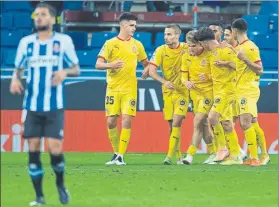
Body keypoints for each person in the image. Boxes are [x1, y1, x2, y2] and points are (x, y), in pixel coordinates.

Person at [10, 3, 80, 206]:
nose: (38, 18)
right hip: (31, 105)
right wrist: (15, 79)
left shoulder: (63, 41)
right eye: (36, 15)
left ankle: (60, 184)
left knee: (54, 148)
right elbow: (18, 68)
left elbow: (76, 68)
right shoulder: (26, 43)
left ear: (52, 19)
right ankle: (39, 196)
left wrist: (64, 72)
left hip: (54, 104)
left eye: (43, 14)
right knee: (33, 147)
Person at [95, 12, 149, 166]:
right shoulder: (110, 43)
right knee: (111, 122)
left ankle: (121, 156)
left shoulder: (137, 45)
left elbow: (146, 63)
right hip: (112, 88)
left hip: (129, 89)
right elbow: (98, 64)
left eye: (135, 26)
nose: (134, 28)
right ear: (123, 25)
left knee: (126, 119)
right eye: (132, 25)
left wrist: (147, 70)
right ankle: (116, 153)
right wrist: (110, 65)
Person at [194, 27, 242, 165]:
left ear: (204, 43)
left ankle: (222, 148)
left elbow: (240, 67)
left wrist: (226, 63)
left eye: (201, 44)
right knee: (226, 123)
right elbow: (216, 72)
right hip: (218, 91)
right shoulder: (212, 53)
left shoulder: (226, 50)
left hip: (228, 90)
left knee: (212, 117)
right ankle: (236, 156)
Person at [148, 24, 188, 165]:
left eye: (169, 34)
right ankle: (178, 155)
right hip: (168, 92)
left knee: (177, 121)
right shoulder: (160, 50)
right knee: (172, 126)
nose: (166, 37)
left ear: (177, 35)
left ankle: (169, 157)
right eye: (165, 34)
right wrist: (163, 81)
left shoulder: (187, 48)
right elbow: (152, 71)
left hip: (183, 92)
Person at [231, 18, 269, 166]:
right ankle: (264, 155)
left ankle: (254, 158)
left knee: (245, 122)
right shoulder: (241, 47)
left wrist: (246, 60)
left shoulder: (250, 47)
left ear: (234, 31)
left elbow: (260, 70)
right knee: (252, 122)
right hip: (241, 89)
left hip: (248, 90)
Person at [181, 30, 217, 165]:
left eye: (193, 46)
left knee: (197, 121)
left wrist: (207, 77)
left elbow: (219, 75)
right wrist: (186, 82)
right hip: (194, 95)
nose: (191, 49)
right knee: (203, 125)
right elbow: (183, 76)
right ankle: (213, 153)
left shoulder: (210, 55)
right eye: (189, 46)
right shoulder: (186, 57)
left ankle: (189, 155)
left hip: (208, 93)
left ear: (200, 45)